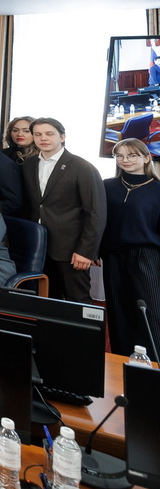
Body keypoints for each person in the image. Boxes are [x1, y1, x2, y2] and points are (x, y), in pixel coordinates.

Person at [22, 117, 106, 303]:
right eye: (38, 134)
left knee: (78, 301)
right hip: (39, 246)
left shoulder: (82, 167)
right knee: (46, 300)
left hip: (71, 249)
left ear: (62, 137)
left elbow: (96, 213)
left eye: (49, 134)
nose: (43, 138)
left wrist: (86, 251)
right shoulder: (29, 165)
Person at [100, 138, 160, 355]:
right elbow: (98, 222)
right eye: (120, 155)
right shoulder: (106, 186)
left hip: (146, 255)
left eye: (132, 155)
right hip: (112, 254)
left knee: (150, 311)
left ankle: (155, 361)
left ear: (146, 158)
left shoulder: (157, 189)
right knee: (118, 309)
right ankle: (121, 358)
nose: (125, 160)